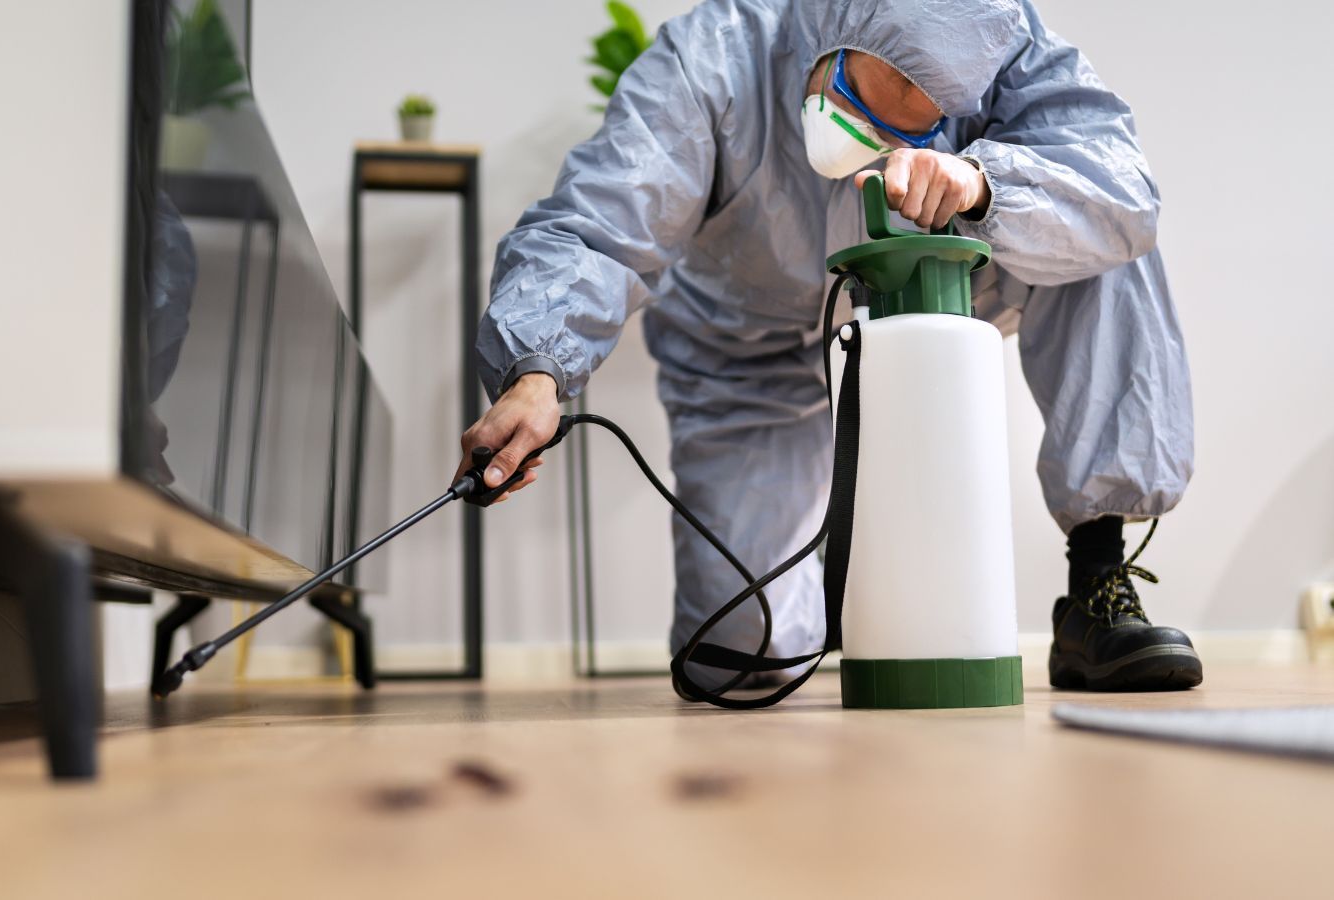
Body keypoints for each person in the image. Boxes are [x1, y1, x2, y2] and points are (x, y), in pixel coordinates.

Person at [455, 0, 1200, 692]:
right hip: (747, 355)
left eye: (914, 121)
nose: (872, 135)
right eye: (868, 91)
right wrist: (536, 370)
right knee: (745, 657)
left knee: (1101, 240)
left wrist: (981, 182)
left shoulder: (1004, 43)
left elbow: (1121, 192)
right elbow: (601, 222)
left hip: (924, 308)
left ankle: (1098, 581)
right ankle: (825, 609)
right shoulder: (715, 58)